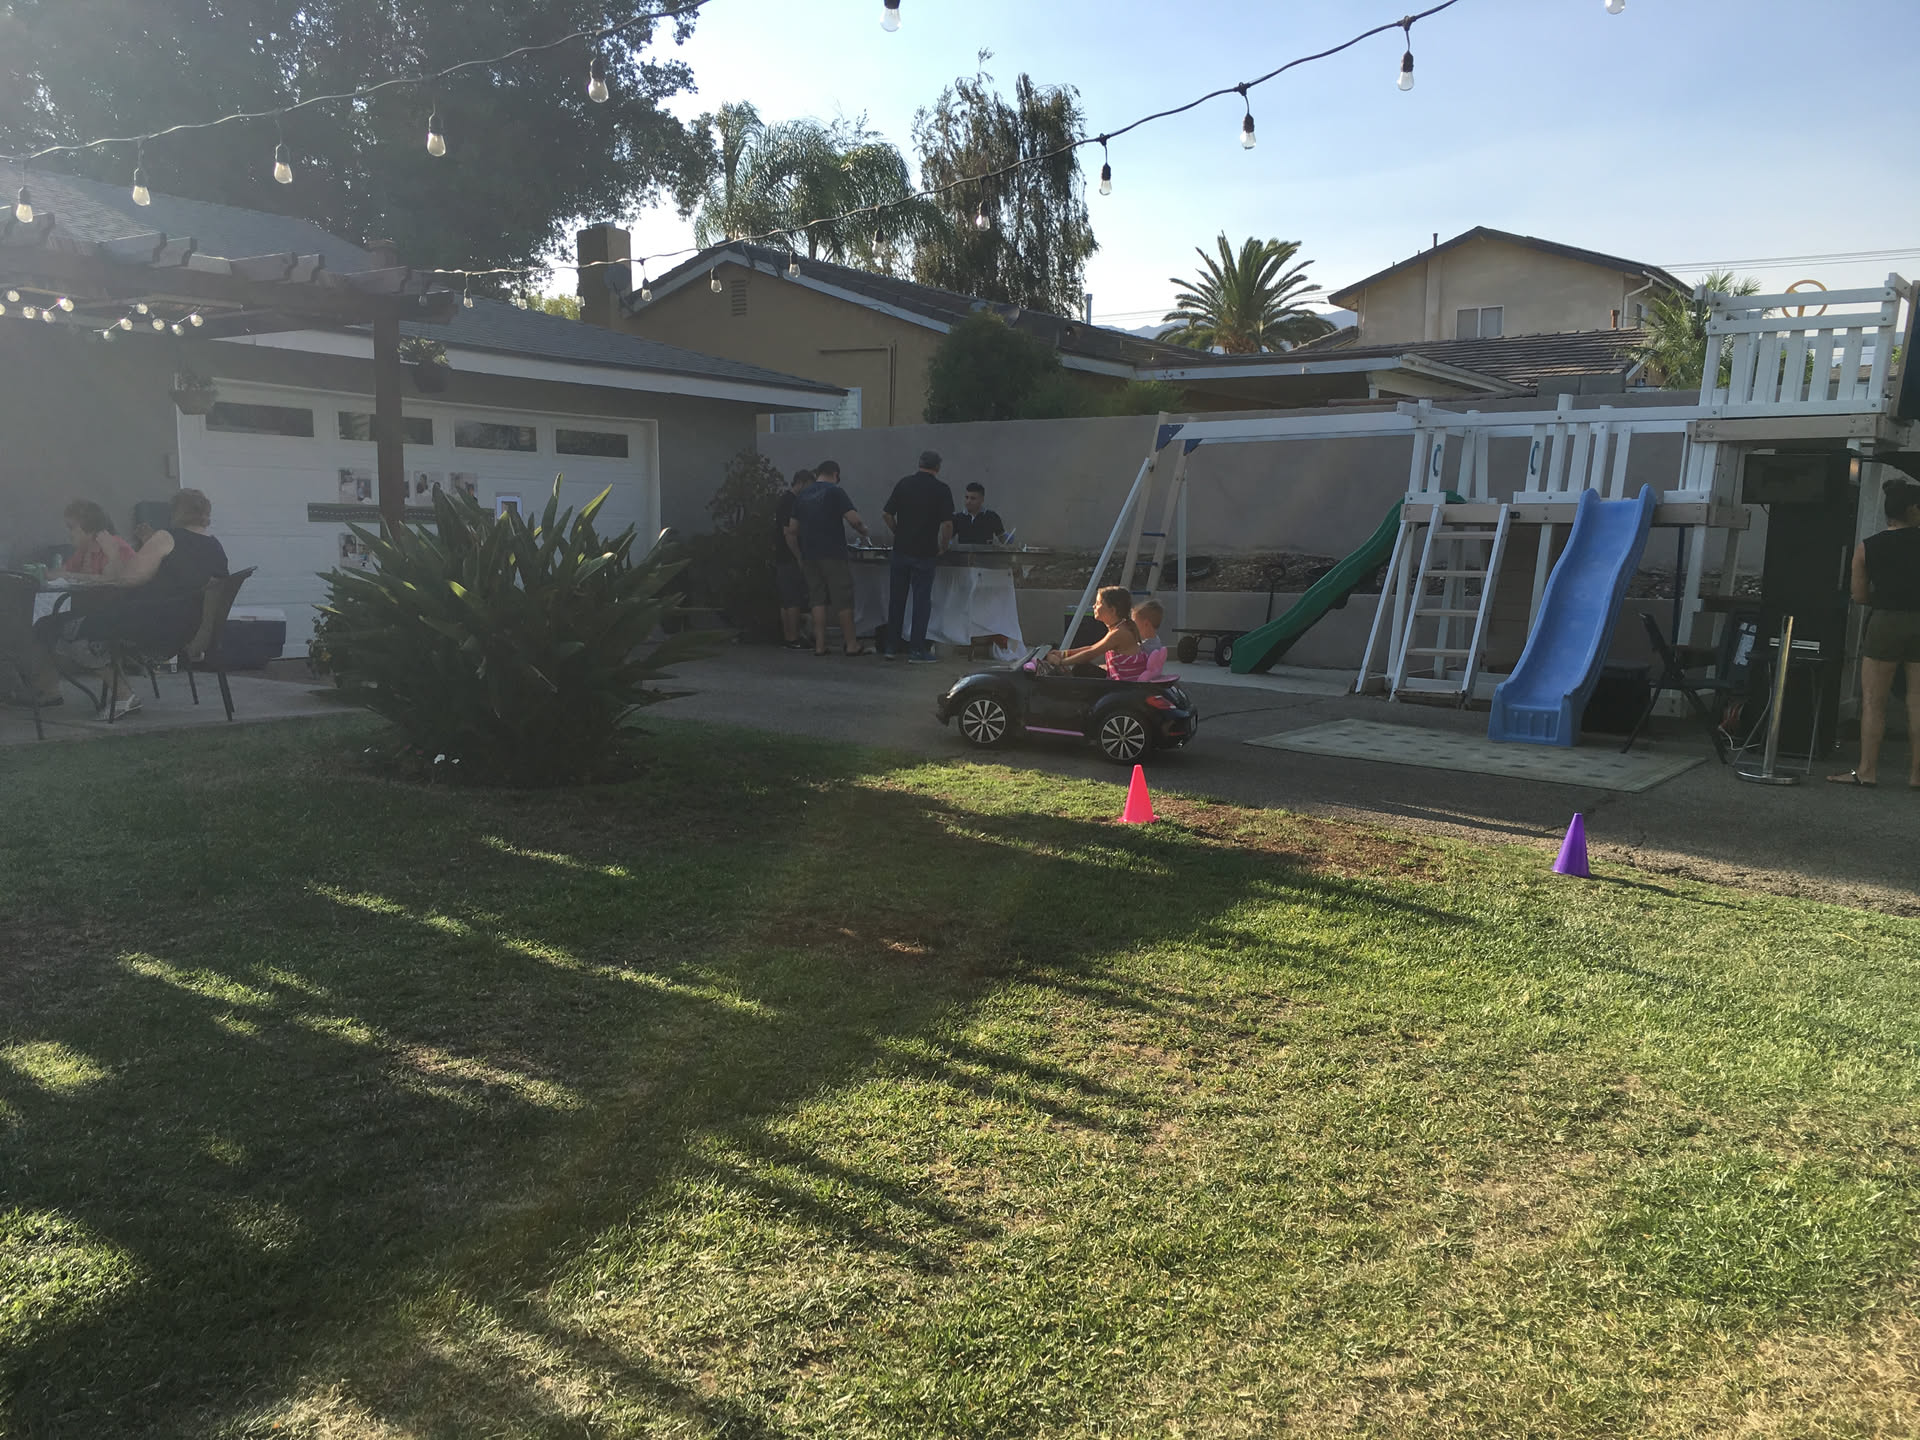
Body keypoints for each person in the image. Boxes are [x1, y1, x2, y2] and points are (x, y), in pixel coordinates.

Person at [29, 488, 230, 717]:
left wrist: (117, 552)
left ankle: (122, 695)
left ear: (176, 512)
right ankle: (103, 692)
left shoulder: (166, 537)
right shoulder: (216, 547)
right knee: (78, 623)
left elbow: (127, 579)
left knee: (57, 626)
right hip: (188, 629)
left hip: (154, 626)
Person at [1828, 475, 1920, 788]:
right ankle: (1917, 774)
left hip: (1885, 622)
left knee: (1873, 700)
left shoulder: (1868, 546)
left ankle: (1867, 771)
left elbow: (1859, 595)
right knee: (1917, 700)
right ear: (1913, 510)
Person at [788, 459, 874, 657]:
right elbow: (854, 520)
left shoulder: (803, 496)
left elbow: (792, 529)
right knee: (843, 599)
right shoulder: (835, 491)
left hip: (809, 555)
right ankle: (851, 645)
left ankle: (820, 646)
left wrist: (800, 555)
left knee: (817, 600)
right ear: (835, 474)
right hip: (833, 554)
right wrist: (864, 530)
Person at [882, 450, 955, 663]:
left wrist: (898, 531)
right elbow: (947, 524)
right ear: (937, 467)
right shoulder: (942, 489)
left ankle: (891, 647)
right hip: (925, 553)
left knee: (897, 600)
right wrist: (944, 545)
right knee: (921, 602)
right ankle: (916, 650)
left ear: (919, 464)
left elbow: (886, 514)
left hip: (901, 550)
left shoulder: (904, 484)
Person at [1047, 586, 1143, 676]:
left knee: (1080, 668)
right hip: (1118, 679)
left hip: (1125, 683)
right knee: (1081, 667)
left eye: (1098, 603)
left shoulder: (1119, 633)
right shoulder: (1117, 628)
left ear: (1112, 610)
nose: (1094, 606)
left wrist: (1060, 663)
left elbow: (1091, 653)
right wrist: (1063, 654)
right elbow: (1091, 648)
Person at [773, 468, 813, 650]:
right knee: (793, 598)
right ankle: (794, 638)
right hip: (789, 556)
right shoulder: (790, 502)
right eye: (808, 486)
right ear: (801, 483)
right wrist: (799, 556)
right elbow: (789, 532)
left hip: (781, 555)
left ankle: (788, 637)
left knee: (786, 599)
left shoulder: (785, 500)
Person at [50, 500, 134, 580]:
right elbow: (61, 572)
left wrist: (70, 576)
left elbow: (111, 581)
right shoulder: (84, 548)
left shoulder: (115, 547)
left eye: (71, 528)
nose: (69, 533)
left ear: (90, 530)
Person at [950, 482, 1006, 546]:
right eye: (966, 497)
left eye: (973, 498)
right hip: (963, 552)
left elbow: (1003, 539)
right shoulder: (957, 518)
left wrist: (1008, 539)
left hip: (986, 552)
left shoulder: (992, 517)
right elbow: (948, 538)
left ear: (982, 499)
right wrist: (949, 545)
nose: (968, 501)